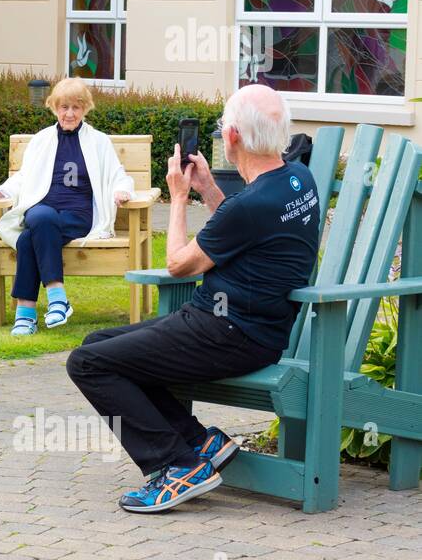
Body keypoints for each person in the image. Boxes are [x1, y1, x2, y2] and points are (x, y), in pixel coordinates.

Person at [66, 84, 319, 513]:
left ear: (234, 137)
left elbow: (179, 264)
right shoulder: (297, 180)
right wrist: (207, 190)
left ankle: (177, 464)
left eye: (224, 127)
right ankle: (199, 441)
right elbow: (245, 230)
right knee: (96, 346)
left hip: (227, 332)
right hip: (248, 328)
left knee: (86, 364)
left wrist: (179, 197)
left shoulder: (251, 204)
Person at [0, 78, 135, 335]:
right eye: (64, 107)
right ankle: (57, 298)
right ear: (54, 108)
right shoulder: (42, 140)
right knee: (39, 218)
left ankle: (26, 313)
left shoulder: (99, 141)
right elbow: (24, 178)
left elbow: (118, 174)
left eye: (75, 107)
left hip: (78, 216)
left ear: (85, 109)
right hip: (44, 211)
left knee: (31, 234)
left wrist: (122, 190)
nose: (69, 113)